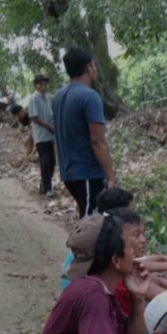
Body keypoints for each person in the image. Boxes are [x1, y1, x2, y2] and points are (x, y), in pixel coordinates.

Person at [52, 48, 115, 217]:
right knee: (90, 225)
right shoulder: (90, 97)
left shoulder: (58, 97)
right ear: (88, 67)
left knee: (93, 221)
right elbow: (98, 140)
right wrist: (111, 177)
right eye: (94, 65)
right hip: (88, 172)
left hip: (69, 172)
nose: (95, 69)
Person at [28, 74, 56, 195]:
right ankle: (48, 187)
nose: (44, 86)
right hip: (41, 134)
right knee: (45, 160)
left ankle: (44, 183)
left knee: (52, 161)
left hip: (49, 134)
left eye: (45, 84)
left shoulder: (47, 98)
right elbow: (34, 117)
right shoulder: (34, 98)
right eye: (41, 84)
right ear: (36, 85)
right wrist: (48, 126)